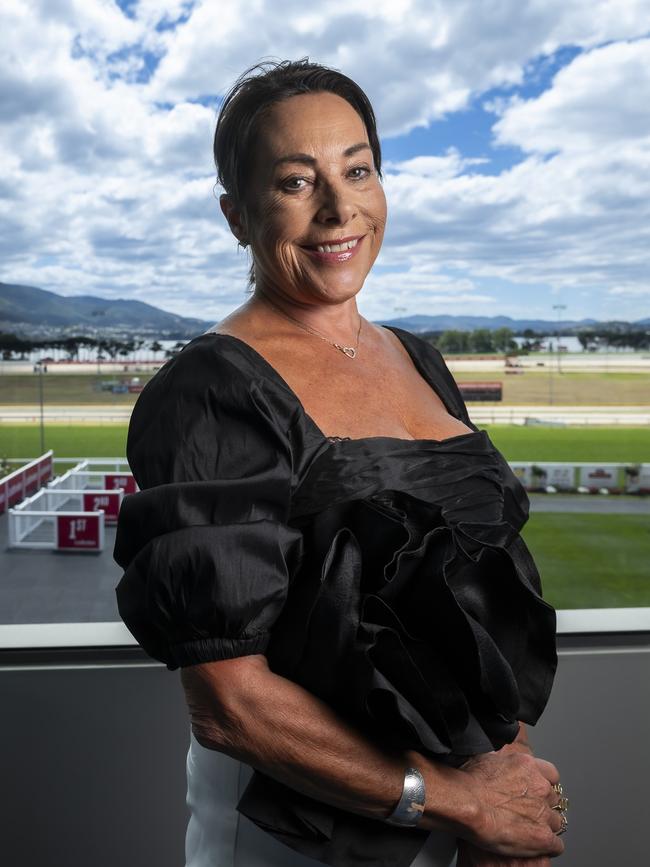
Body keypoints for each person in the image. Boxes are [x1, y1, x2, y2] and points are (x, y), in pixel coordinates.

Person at [114, 59, 567, 867]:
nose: (338, 208)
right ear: (236, 215)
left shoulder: (418, 357)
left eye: (357, 169)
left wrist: (507, 779)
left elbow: (482, 593)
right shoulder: (213, 388)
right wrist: (462, 801)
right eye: (295, 181)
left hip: (463, 817)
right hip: (300, 836)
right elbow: (229, 703)